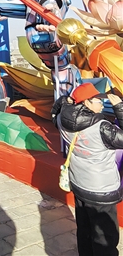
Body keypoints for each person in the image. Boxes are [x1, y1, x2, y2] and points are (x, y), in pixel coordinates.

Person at [52, 83, 123, 256]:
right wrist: (119, 108)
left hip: (79, 183)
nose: (102, 105)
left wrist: (66, 100)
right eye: (98, 101)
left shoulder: (62, 120)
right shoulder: (102, 128)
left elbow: (55, 110)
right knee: (105, 238)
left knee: (85, 230)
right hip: (100, 189)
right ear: (86, 103)